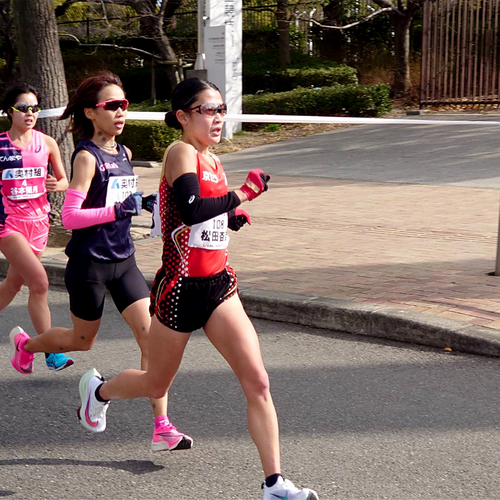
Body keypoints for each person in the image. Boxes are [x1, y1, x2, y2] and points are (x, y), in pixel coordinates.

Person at [76, 78, 319, 500]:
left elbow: (208, 213)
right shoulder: (181, 151)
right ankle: (98, 391)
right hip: (181, 289)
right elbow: (189, 209)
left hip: (219, 286)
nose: (218, 118)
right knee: (155, 384)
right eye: (209, 110)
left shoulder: (212, 158)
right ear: (184, 116)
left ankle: (274, 483)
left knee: (258, 381)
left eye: (222, 110)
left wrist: (232, 215)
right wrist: (243, 194)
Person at [9, 71, 192, 453]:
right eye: (112, 105)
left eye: (124, 104)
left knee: (151, 340)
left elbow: (119, 204)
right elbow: (72, 217)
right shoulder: (86, 156)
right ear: (92, 113)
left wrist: (141, 205)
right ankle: (27, 345)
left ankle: (162, 427)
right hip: (89, 265)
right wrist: (116, 209)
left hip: (123, 261)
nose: (121, 112)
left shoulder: (124, 154)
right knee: (82, 340)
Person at [0, 83, 73, 372]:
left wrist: (59, 184)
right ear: (9, 111)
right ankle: (49, 350)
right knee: (40, 283)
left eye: (34, 108)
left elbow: (64, 180)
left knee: (14, 284)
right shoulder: (1, 145)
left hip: (39, 223)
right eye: (23, 108)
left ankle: (22, 349)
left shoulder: (47, 143)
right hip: (8, 225)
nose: (29, 113)